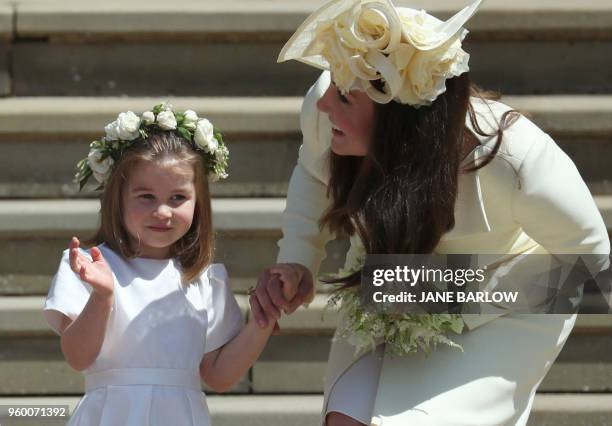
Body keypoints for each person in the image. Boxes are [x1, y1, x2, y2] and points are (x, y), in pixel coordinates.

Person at [250, 0, 611, 425]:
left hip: (504, 309)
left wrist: (439, 291)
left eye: (345, 97)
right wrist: (297, 257)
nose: (325, 104)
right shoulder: (326, 111)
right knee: (345, 417)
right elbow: (313, 173)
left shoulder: (513, 160)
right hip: (395, 284)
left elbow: (593, 267)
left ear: (400, 118)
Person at [43, 104, 294, 425]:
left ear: (198, 201)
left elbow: (218, 375)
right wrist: (102, 296)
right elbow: (78, 357)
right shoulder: (90, 266)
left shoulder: (206, 279)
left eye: (177, 198)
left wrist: (263, 318)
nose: (162, 212)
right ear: (117, 197)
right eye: (146, 196)